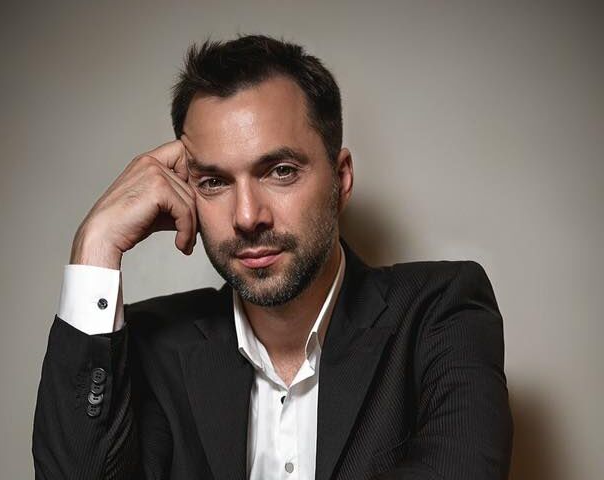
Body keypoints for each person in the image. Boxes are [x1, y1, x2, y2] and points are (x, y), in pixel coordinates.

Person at [32, 35, 513, 480]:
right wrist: (95, 245)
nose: (247, 217)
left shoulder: (441, 311)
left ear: (341, 180)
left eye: (280, 171)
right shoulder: (151, 346)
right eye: (214, 182)